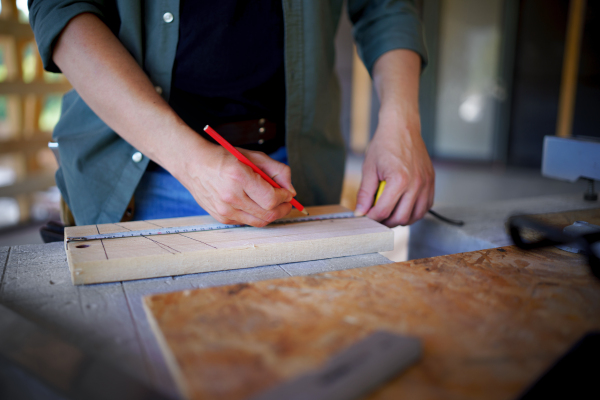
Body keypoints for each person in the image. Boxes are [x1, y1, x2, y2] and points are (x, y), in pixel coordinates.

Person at [28, 0, 434, 229]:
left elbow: (388, 5)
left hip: (298, 169)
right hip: (142, 182)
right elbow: (61, 7)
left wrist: (402, 122)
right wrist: (190, 161)